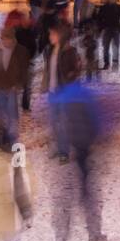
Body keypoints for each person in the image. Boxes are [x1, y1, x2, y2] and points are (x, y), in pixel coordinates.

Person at [51, 80, 108, 241]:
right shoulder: (85, 95)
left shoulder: (58, 98)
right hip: (82, 150)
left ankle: (60, 240)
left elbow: (54, 125)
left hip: (65, 153)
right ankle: (94, 233)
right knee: (88, 193)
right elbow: (96, 122)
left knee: (64, 198)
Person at [43, 20, 81, 161]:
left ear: (60, 35)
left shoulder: (70, 51)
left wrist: (71, 76)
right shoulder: (50, 50)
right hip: (53, 92)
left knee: (64, 123)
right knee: (54, 122)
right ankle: (60, 148)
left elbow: (77, 69)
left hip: (64, 93)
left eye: (52, 34)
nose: (50, 37)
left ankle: (65, 152)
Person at [0, 27, 30, 140]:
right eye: (3, 39)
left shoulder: (20, 51)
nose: (5, 41)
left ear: (12, 38)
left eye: (8, 39)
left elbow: (24, 71)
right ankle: (2, 137)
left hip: (12, 88)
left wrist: (18, 84)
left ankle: (12, 138)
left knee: (12, 114)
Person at [5, 8, 38, 113]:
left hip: (27, 63)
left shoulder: (31, 32)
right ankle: (11, 106)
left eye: (26, 19)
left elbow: (34, 47)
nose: (25, 21)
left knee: (27, 86)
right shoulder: (17, 32)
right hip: (17, 63)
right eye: (23, 19)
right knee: (14, 86)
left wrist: (30, 57)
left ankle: (25, 106)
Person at [93, 0, 120, 70]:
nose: (111, 0)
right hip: (107, 29)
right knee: (105, 47)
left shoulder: (118, 7)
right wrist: (100, 29)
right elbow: (99, 19)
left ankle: (115, 63)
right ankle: (106, 63)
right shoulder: (104, 8)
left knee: (115, 47)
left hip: (115, 29)